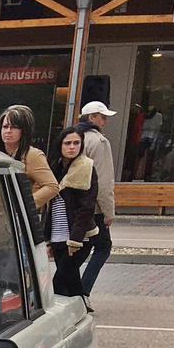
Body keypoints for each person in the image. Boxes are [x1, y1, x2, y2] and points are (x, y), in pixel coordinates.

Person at [45, 127, 98, 304]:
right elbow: (50, 206)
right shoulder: (55, 167)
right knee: (71, 282)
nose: (72, 147)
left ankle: (62, 313)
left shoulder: (86, 167)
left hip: (78, 238)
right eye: (67, 143)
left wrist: (75, 240)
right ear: (60, 145)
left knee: (58, 283)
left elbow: (87, 207)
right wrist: (48, 239)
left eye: (76, 143)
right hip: (57, 236)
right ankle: (81, 309)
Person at [72, 100, 117, 297]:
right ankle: (82, 291)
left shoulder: (72, 138)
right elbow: (104, 179)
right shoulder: (98, 142)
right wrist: (108, 212)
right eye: (103, 117)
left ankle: (67, 286)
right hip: (94, 206)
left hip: (72, 202)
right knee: (103, 247)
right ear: (92, 118)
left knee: (81, 245)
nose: (105, 121)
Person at [0, 104, 60, 237]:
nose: (8, 131)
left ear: (24, 130)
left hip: (13, 225)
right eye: (5, 126)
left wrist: (23, 205)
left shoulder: (32, 155)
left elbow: (52, 186)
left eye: (14, 127)